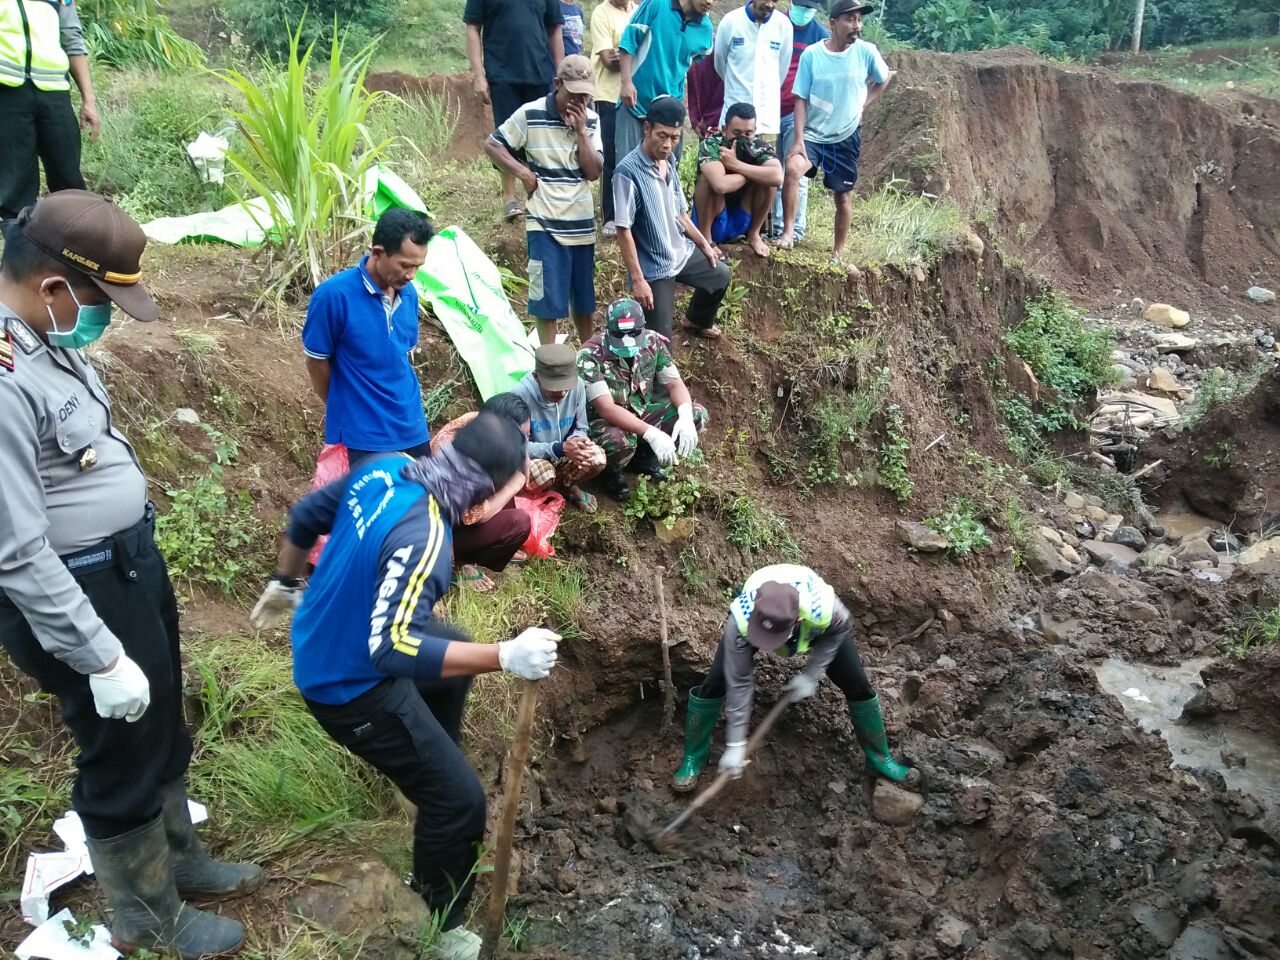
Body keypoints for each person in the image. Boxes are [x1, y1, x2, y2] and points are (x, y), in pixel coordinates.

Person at [0, 192, 260, 957]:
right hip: (78, 591)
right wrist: (101, 655)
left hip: (123, 567)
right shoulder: (5, 375)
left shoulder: (45, 339)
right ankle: (147, 916)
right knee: (116, 746)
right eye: (100, 301)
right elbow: (13, 549)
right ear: (53, 289)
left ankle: (180, 857)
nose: (105, 317)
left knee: (159, 722)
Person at [250, 413, 560, 960]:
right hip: (347, 687)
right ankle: (440, 921)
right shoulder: (428, 540)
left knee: (451, 652)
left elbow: (306, 515)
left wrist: (287, 581)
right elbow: (392, 648)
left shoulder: (387, 469)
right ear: (486, 491)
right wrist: (505, 655)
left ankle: (424, 777)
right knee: (462, 800)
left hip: (325, 632)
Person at [671, 564, 914, 793]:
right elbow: (740, 682)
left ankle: (880, 758)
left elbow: (837, 632)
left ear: (797, 621)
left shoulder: (825, 609)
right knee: (716, 682)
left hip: (813, 620)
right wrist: (735, 744)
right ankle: (694, 757)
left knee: (857, 684)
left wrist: (812, 674)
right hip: (759, 617)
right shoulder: (741, 619)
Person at [485, 55, 603, 346]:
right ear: (557, 84)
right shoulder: (530, 113)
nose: (580, 100)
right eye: (573, 93)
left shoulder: (592, 119)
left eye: (585, 94)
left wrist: (581, 134)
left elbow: (594, 172)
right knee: (546, 301)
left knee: (585, 302)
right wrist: (523, 172)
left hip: (581, 223)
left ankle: (588, 359)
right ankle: (548, 363)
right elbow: (493, 144)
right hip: (544, 222)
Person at [302, 209, 435, 466]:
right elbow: (316, 363)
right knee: (374, 505)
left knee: (422, 502)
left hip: (412, 425)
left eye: (418, 267)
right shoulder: (334, 296)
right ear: (377, 253)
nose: (411, 275)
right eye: (405, 265)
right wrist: (342, 404)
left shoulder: (409, 294)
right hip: (364, 436)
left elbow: (401, 357)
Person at [776, 0, 893, 268]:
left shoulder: (866, 52)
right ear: (833, 23)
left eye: (859, 21)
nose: (857, 26)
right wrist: (799, 139)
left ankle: (838, 253)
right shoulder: (813, 55)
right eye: (850, 20)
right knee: (792, 170)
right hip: (814, 134)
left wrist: (864, 103)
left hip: (846, 135)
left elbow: (884, 77)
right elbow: (800, 99)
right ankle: (787, 233)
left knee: (842, 195)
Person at [613, 96, 730, 341]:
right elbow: (623, 230)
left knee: (719, 275)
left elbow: (681, 214)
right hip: (655, 268)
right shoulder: (627, 172)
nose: (668, 144)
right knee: (660, 342)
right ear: (647, 128)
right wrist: (638, 279)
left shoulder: (670, 162)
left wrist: (704, 245)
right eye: (662, 136)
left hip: (680, 253)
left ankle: (696, 320)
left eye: (675, 138)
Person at [578, 298, 707, 501]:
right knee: (619, 442)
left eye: (634, 334)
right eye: (620, 336)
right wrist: (652, 433)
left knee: (696, 413)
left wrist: (684, 416)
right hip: (604, 424)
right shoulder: (589, 355)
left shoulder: (652, 342)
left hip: (639, 412)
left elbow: (674, 383)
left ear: (643, 329)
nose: (628, 342)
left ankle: (643, 457)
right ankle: (612, 473)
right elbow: (606, 408)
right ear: (608, 331)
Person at [464, 0, 565, 223]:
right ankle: (510, 199)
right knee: (506, 138)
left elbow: (555, 28)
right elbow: (472, 27)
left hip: (539, 72)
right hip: (502, 74)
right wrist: (479, 75)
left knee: (540, 135)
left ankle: (539, 194)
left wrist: (561, 73)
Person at [0, 0, 99, 221]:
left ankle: (72, 247)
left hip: (54, 94)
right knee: (15, 187)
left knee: (69, 180)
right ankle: (22, 251)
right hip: (7, 94)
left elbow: (72, 41)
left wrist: (88, 99)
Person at [430, 393, 533, 592]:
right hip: (441, 533)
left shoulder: (479, 423)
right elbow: (474, 516)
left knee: (507, 471)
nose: (523, 444)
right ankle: (459, 565)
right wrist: (514, 485)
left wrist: (524, 456)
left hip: (452, 517)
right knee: (519, 523)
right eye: (520, 439)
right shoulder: (457, 461)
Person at [616, 0, 714, 162]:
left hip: (670, 109)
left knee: (667, 172)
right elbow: (629, 39)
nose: (710, 2)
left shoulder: (706, 28)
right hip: (635, 102)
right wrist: (626, 81)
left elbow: (692, 62)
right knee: (627, 167)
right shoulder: (657, 4)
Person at [513, 343, 606, 513]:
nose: (562, 393)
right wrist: (559, 448)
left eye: (566, 386)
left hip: (564, 451)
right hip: (533, 458)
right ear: (536, 377)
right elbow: (518, 447)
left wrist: (576, 442)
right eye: (554, 387)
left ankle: (568, 486)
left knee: (597, 458)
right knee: (543, 474)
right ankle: (538, 495)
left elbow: (581, 426)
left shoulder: (578, 386)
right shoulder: (520, 396)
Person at [768, 0, 829, 243]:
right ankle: (772, 225)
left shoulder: (819, 36)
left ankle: (794, 228)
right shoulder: (776, 25)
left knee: (795, 171)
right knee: (771, 170)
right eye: (801, 5)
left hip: (799, 113)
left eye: (809, 8)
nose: (803, 12)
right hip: (769, 110)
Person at [692, 102, 784, 259]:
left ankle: (754, 234)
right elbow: (720, 185)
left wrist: (737, 165)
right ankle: (706, 240)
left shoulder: (759, 147)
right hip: (713, 220)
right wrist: (752, 173)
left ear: (755, 131)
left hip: (742, 221)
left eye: (748, 133)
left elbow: (776, 177)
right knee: (707, 180)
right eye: (736, 132)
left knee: (768, 183)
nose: (742, 138)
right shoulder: (712, 144)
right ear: (724, 130)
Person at [589, 0, 637, 238]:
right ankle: (610, 216)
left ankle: (631, 214)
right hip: (608, 95)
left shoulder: (639, 12)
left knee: (633, 155)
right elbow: (608, 61)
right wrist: (634, 52)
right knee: (610, 156)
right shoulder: (602, 13)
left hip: (635, 96)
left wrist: (625, 52)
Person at [712, 0, 792, 140]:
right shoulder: (730, 22)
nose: (770, 4)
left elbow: (782, 69)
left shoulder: (784, 25)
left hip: (767, 121)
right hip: (734, 120)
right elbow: (720, 64)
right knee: (730, 159)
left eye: (775, 0)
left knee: (767, 160)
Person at [685, 54, 724, 141]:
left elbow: (723, 82)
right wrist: (695, 119)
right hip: (703, 122)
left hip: (720, 120)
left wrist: (709, 119)